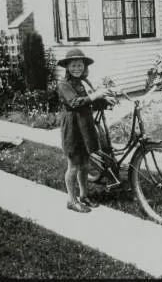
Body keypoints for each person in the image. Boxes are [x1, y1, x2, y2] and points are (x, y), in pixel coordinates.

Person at [57, 49, 116, 213]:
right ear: (67, 67)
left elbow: (89, 103)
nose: (77, 68)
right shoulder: (64, 84)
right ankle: (71, 200)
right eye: (73, 65)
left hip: (85, 126)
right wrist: (95, 95)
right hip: (73, 128)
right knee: (73, 165)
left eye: (80, 65)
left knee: (84, 165)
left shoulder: (82, 82)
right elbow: (75, 103)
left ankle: (84, 195)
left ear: (84, 67)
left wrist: (105, 100)